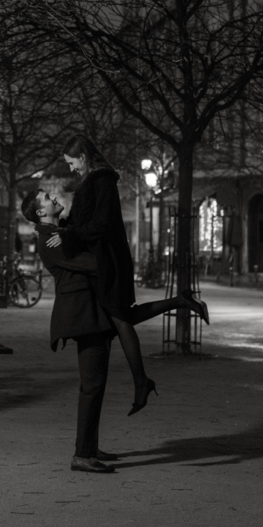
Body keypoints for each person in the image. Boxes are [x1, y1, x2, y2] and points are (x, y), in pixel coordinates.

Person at [50, 134, 209, 419]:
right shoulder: (92, 181)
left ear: (84, 157)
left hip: (108, 263)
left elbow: (100, 223)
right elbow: (83, 220)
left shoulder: (103, 181)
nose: (71, 168)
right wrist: (64, 227)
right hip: (104, 261)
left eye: (72, 162)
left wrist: (69, 233)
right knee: (123, 317)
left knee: (121, 320)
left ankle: (141, 381)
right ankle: (180, 303)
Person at [23, 189, 117, 473]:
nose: (53, 197)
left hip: (89, 312)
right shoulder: (51, 240)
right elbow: (92, 263)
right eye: (47, 198)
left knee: (95, 383)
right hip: (83, 316)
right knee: (91, 384)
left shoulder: (60, 231)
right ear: (41, 213)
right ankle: (83, 454)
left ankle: (89, 445)